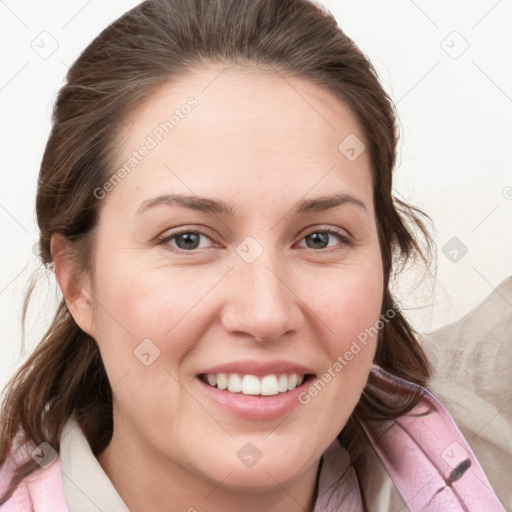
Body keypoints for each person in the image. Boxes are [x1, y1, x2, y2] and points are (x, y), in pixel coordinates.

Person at [0, 0, 507, 510]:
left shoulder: (487, 445)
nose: (265, 314)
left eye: (319, 238)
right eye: (188, 239)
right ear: (78, 284)